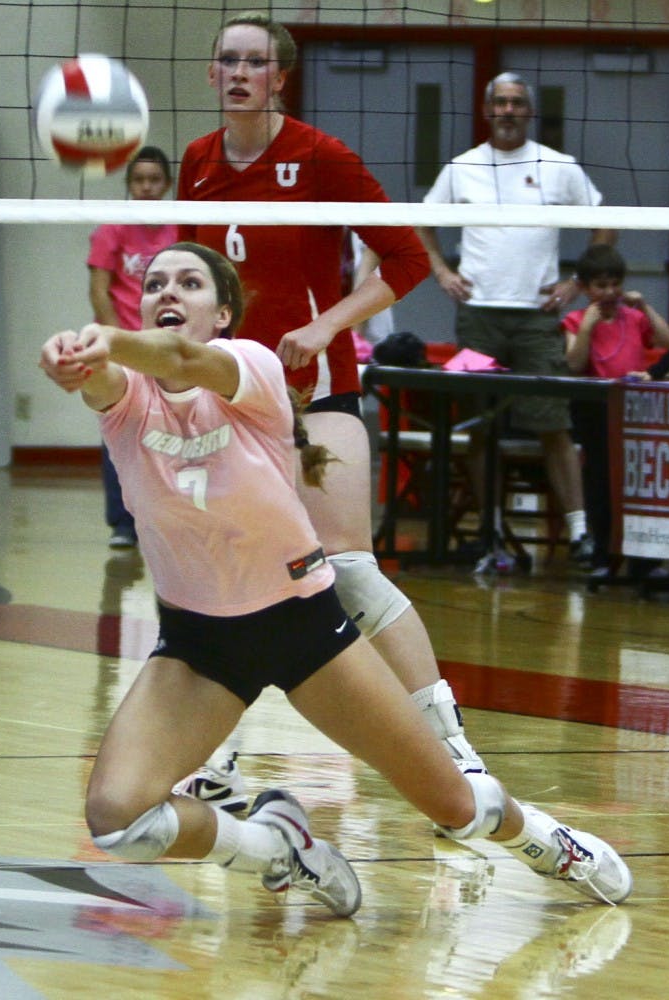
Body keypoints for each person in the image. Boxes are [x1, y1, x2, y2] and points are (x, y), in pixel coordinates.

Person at [39, 241, 632, 914]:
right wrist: (71, 359)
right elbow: (102, 378)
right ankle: (278, 848)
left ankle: (549, 844)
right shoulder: (125, 397)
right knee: (120, 820)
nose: (168, 293)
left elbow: (178, 359)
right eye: (155, 284)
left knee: (457, 808)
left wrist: (103, 338)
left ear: (223, 312)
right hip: (198, 647)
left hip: (305, 631)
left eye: (190, 283)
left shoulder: (252, 368)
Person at [174, 12, 488, 793]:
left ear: (280, 77)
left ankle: (449, 738)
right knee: (222, 571)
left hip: (317, 390)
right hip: (233, 396)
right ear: (212, 75)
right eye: (228, 60)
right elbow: (195, 273)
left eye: (256, 62)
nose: (240, 72)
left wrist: (324, 325)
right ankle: (211, 755)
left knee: (346, 567)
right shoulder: (198, 162)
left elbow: (406, 259)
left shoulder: (320, 156)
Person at [417, 72, 618, 566]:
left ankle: (579, 533)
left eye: (517, 103)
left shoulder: (559, 167)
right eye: (500, 102)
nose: (508, 110)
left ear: (530, 112)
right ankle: (489, 531)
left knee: (553, 424)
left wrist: (575, 281)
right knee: (480, 426)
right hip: (479, 314)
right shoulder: (462, 168)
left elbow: (606, 219)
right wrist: (442, 270)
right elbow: (419, 219)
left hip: (536, 316)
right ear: (487, 111)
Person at [563, 244, 669, 573]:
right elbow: (574, 361)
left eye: (615, 284)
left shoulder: (634, 317)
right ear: (584, 288)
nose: (610, 292)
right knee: (600, 484)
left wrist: (645, 307)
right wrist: (587, 327)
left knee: (638, 485)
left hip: (636, 412)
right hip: (597, 413)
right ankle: (604, 555)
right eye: (600, 285)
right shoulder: (576, 320)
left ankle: (643, 560)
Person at [87, 145, 178, 548]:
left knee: (178, 427)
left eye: (154, 180)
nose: (146, 187)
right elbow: (99, 290)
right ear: (129, 185)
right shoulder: (113, 227)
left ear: (167, 184)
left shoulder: (180, 225)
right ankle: (123, 523)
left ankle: (174, 515)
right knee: (120, 428)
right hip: (125, 343)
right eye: (139, 180)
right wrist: (120, 344)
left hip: (167, 345)